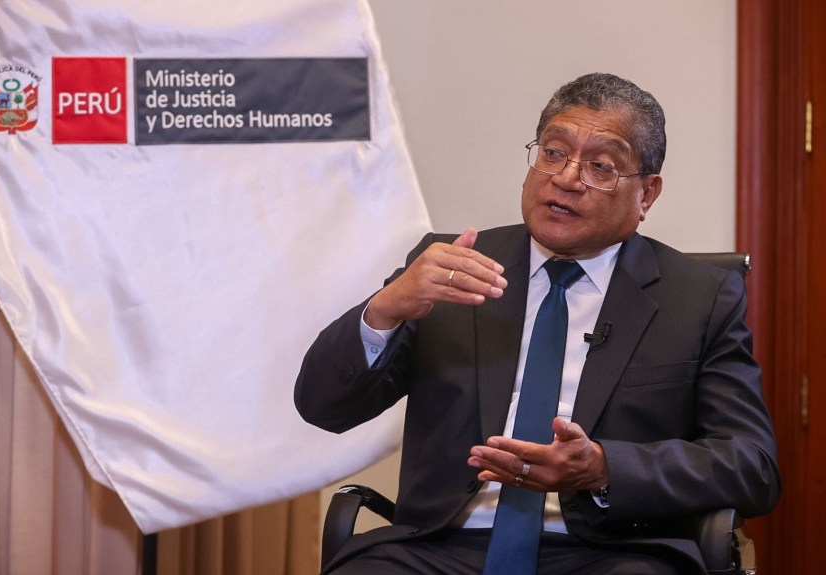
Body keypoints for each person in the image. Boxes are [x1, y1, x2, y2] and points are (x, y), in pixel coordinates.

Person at [294, 72, 780, 575]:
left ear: (647, 195)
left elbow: (753, 466)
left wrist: (603, 467)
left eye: (600, 166)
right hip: (437, 547)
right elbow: (323, 406)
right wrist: (385, 309)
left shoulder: (699, 299)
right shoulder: (452, 267)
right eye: (553, 152)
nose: (567, 178)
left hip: (612, 554)